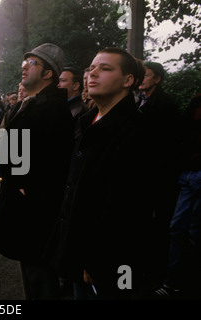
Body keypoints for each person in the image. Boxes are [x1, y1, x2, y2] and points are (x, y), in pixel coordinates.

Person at [44, 47, 154, 300]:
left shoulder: (135, 132)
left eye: (105, 69)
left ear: (128, 81)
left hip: (102, 261)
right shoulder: (88, 122)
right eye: (92, 68)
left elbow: (128, 208)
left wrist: (97, 258)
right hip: (74, 248)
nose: (92, 74)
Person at [0, 43, 75, 300]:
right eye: (25, 62)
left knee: (40, 278)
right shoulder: (31, 104)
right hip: (24, 205)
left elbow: (55, 163)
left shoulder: (53, 109)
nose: (24, 66)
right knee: (30, 274)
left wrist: (28, 189)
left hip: (35, 211)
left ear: (48, 74)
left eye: (32, 63)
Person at [137, 61, 184, 291]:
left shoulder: (164, 105)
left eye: (146, 75)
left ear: (157, 79)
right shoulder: (141, 102)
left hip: (160, 179)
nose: (142, 79)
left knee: (159, 226)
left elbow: (167, 146)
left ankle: (156, 275)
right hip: (148, 177)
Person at [153, 93, 201, 299]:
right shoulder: (194, 104)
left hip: (196, 174)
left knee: (194, 233)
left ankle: (184, 282)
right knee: (177, 228)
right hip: (187, 174)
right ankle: (173, 282)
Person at [58, 67, 89, 139]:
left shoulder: (81, 111)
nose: (58, 84)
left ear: (75, 86)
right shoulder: (60, 106)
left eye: (63, 80)